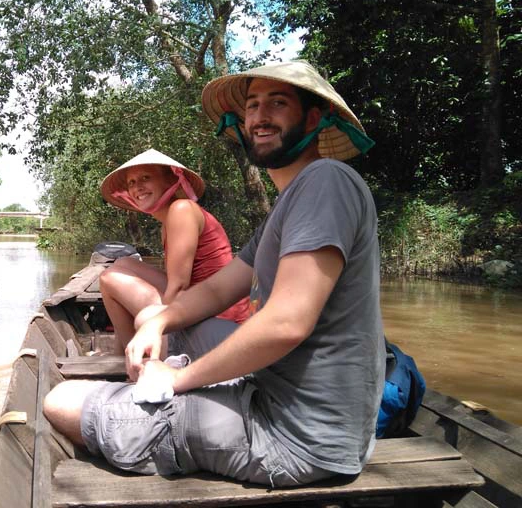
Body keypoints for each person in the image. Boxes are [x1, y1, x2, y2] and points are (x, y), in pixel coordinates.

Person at [44, 60, 385, 487]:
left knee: (62, 400)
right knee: (166, 325)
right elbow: (223, 285)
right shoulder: (289, 203)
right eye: (253, 106)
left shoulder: (326, 181)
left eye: (278, 104)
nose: (260, 116)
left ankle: (155, 400)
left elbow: (286, 322)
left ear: (313, 119)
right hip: (286, 402)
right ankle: (158, 384)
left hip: (294, 436)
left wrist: (179, 378)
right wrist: (160, 320)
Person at [97, 149, 251, 355]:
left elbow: (178, 289)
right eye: (132, 182)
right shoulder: (168, 222)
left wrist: (154, 322)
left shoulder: (182, 210)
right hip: (202, 307)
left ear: (170, 180)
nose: (137, 187)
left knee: (109, 279)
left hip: (220, 324)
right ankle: (125, 353)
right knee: (122, 265)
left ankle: (135, 358)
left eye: (146, 178)